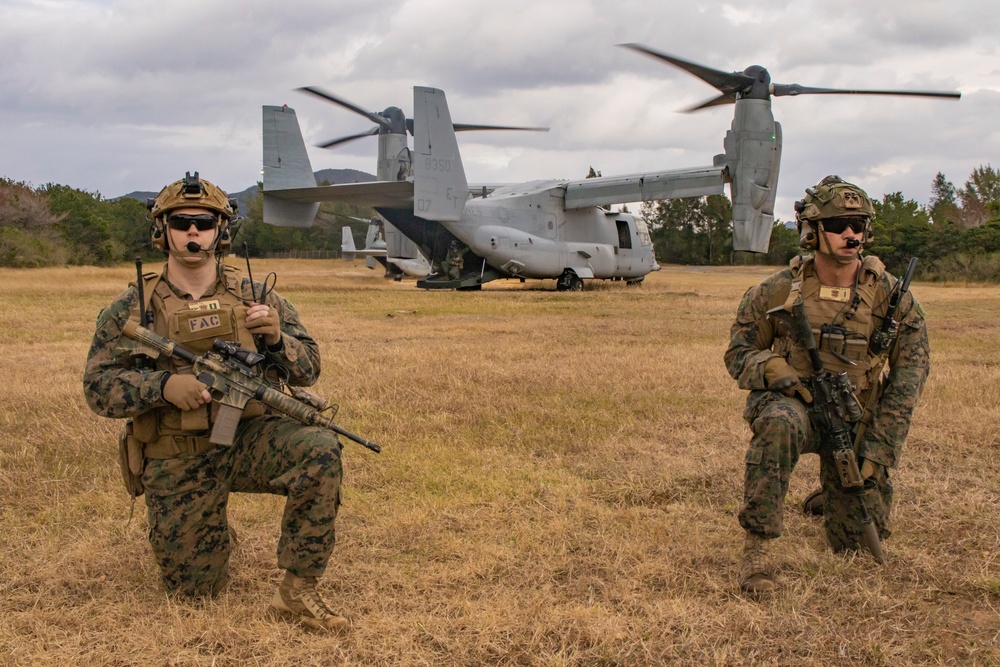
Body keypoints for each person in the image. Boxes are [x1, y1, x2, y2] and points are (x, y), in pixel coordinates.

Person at [83, 172, 349, 633]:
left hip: (250, 439)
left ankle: (297, 591)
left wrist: (276, 339)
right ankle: (208, 526)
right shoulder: (134, 307)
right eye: (181, 221)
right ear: (162, 230)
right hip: (176, 455)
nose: (192, 231)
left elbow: (308, 367)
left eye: (203, 222)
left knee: (320, 448)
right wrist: (162, 389)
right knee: (195, 592)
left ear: (221, 231)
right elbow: (97, 386)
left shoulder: (258, 297)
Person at [724, 175, 930, 597]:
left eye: (858, 224)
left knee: (855, 547)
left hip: (855, 418)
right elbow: (738, 353)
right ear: (813, 231)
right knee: (780, 423)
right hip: (795, 407)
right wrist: (772, 368)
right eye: (838, 225)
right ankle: (758, 552)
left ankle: (831, 495)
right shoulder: (778, 290)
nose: (850, 234)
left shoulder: (892, 298)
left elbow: (908, 379)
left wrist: (878, 448)